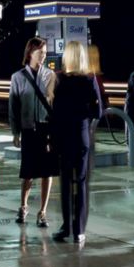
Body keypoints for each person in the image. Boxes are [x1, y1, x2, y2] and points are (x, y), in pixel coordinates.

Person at [51, 41, 103, 244]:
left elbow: (54, 112)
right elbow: (98, 112)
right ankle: (79, 230)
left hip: (64, 137)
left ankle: (65, 228)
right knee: (81, 183)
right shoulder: (90, 80)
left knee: (65, 183)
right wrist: (85, 117)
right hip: (81, 136)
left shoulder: (58, 79)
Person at [9, 37, 57, 228]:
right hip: (29, 129)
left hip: (46, 129)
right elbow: (14, 107)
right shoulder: (18, 77)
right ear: (30, 53)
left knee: (47, 172)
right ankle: (23, 206)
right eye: (40, 53)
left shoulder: (50, 76)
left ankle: (42, 212)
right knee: (27, 171)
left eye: (45, 53)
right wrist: (15, 132)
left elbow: (55, 104)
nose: (43, 57)